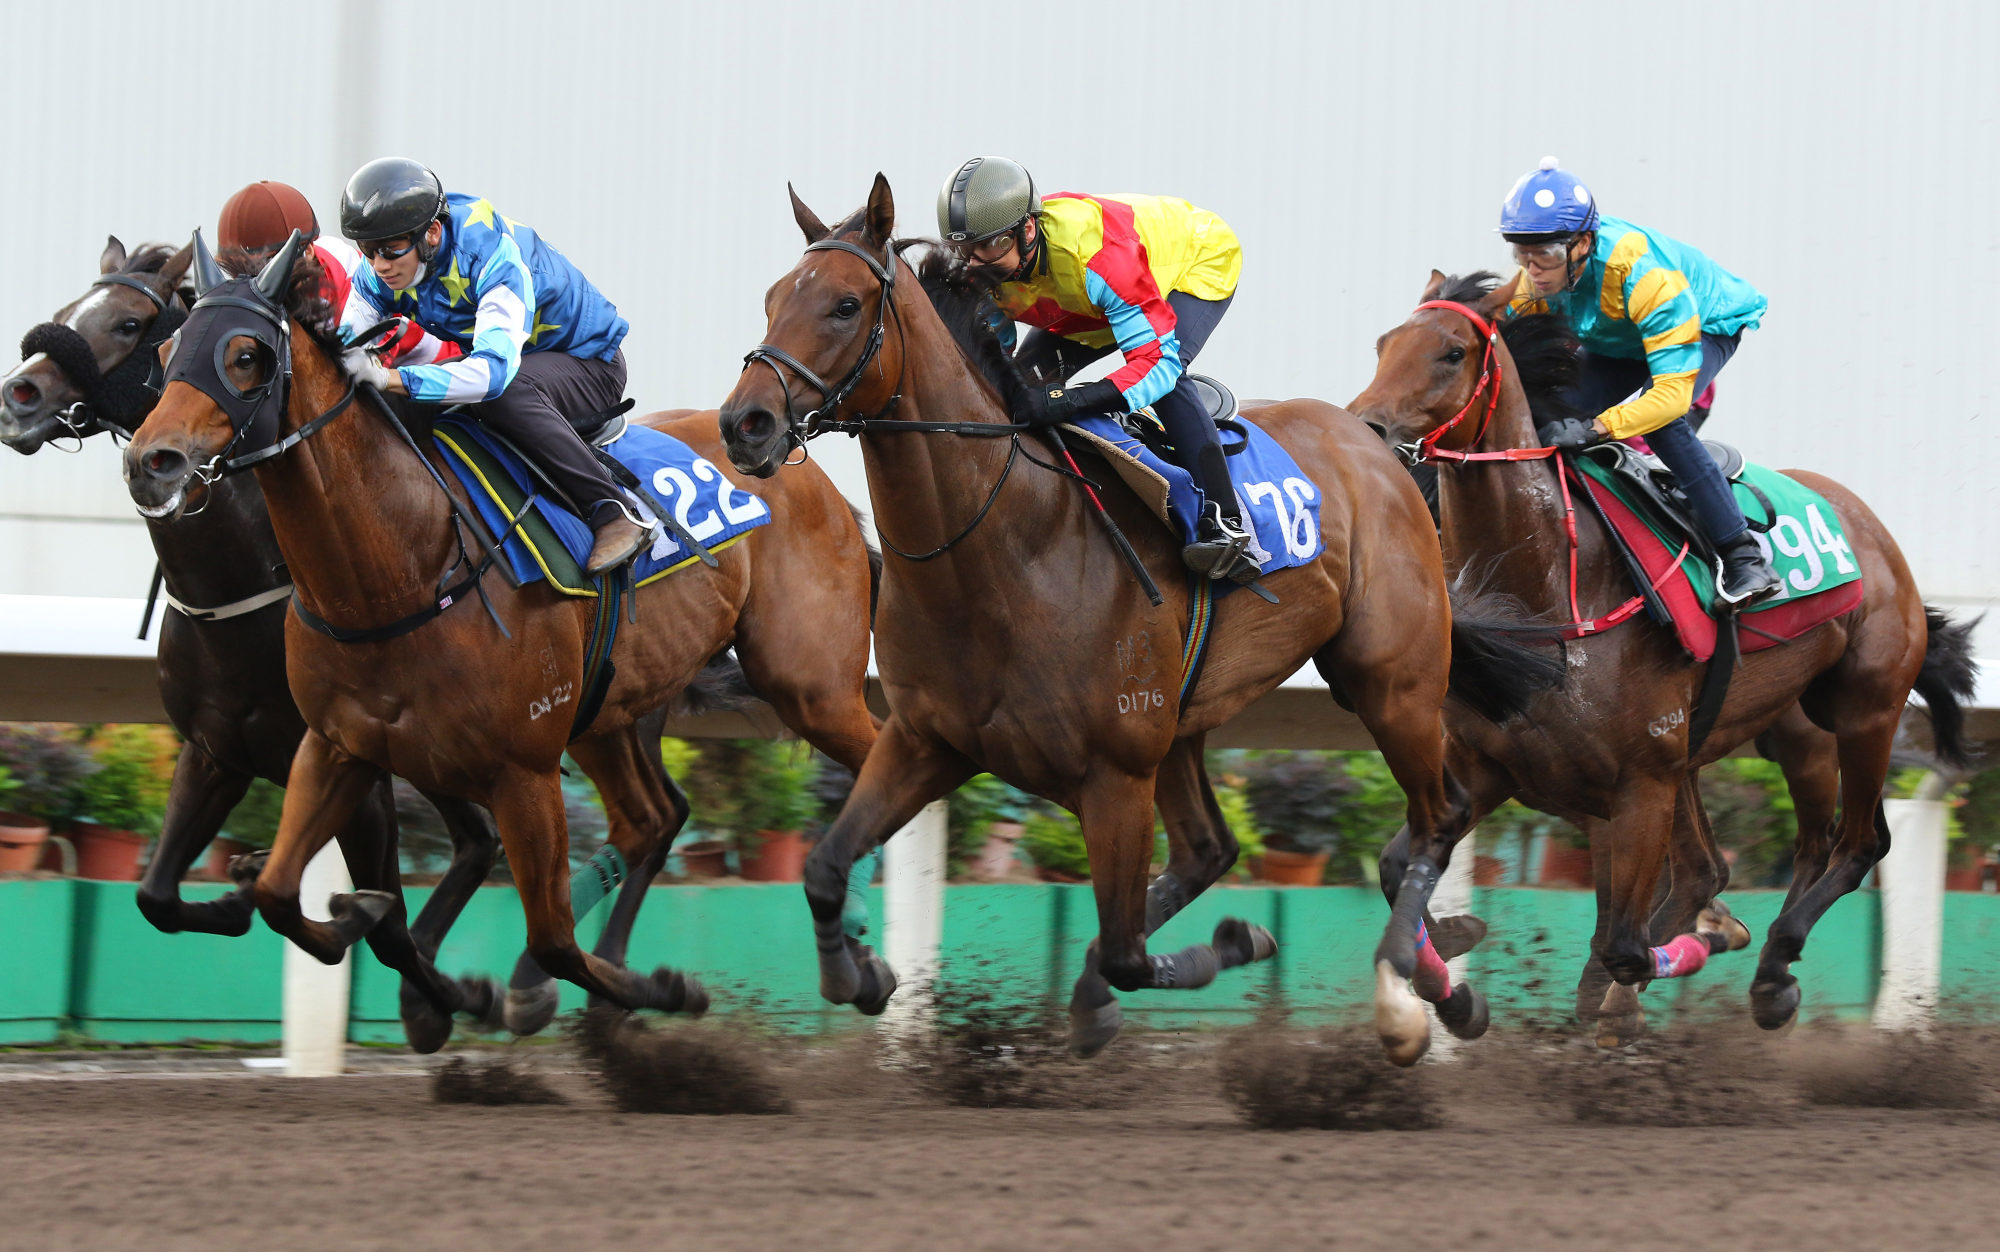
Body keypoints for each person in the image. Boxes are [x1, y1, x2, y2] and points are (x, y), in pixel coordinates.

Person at [936, 156, 1259, 582]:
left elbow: (1155, 367)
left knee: (1165, 381)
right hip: (1088, 297)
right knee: (1021, 388)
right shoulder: (988, 259)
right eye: (963, 250)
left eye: (990, 247)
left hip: (1190, 264)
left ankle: (1225, 524)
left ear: (1027, 229)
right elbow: (992, 357)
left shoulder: (1100, 259)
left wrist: (1069, 399)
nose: (976, 264)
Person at [333, 158, 650, 574]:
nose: (379, 266)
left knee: (503, 394)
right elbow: (344, 344)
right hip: (522, 361)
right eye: (368, 251)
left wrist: (392, 377)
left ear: (431, 233)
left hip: (590, 364)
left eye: (391, 251)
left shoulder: (490, 255)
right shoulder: (384, 268)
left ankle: (612, 511)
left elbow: (492, 374)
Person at [1500, 156, 1780, 605]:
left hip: (1706, 323)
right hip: (1622, 336)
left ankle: (1743, 555)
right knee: (1547, 409)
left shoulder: (1646, 276)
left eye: (1546, 255)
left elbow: (1670, 397)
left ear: (1582, 243)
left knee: (1659, 422)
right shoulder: (1536, 280)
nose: (1534, 271)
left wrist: (1596, 428)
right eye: (1522, 255)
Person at [217, 179, 460, 368]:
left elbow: (355, 369)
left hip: (436, 368)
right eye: (241, 270)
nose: (257, 281)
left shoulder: (348, 280)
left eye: (268, 266)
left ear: (309, 251)